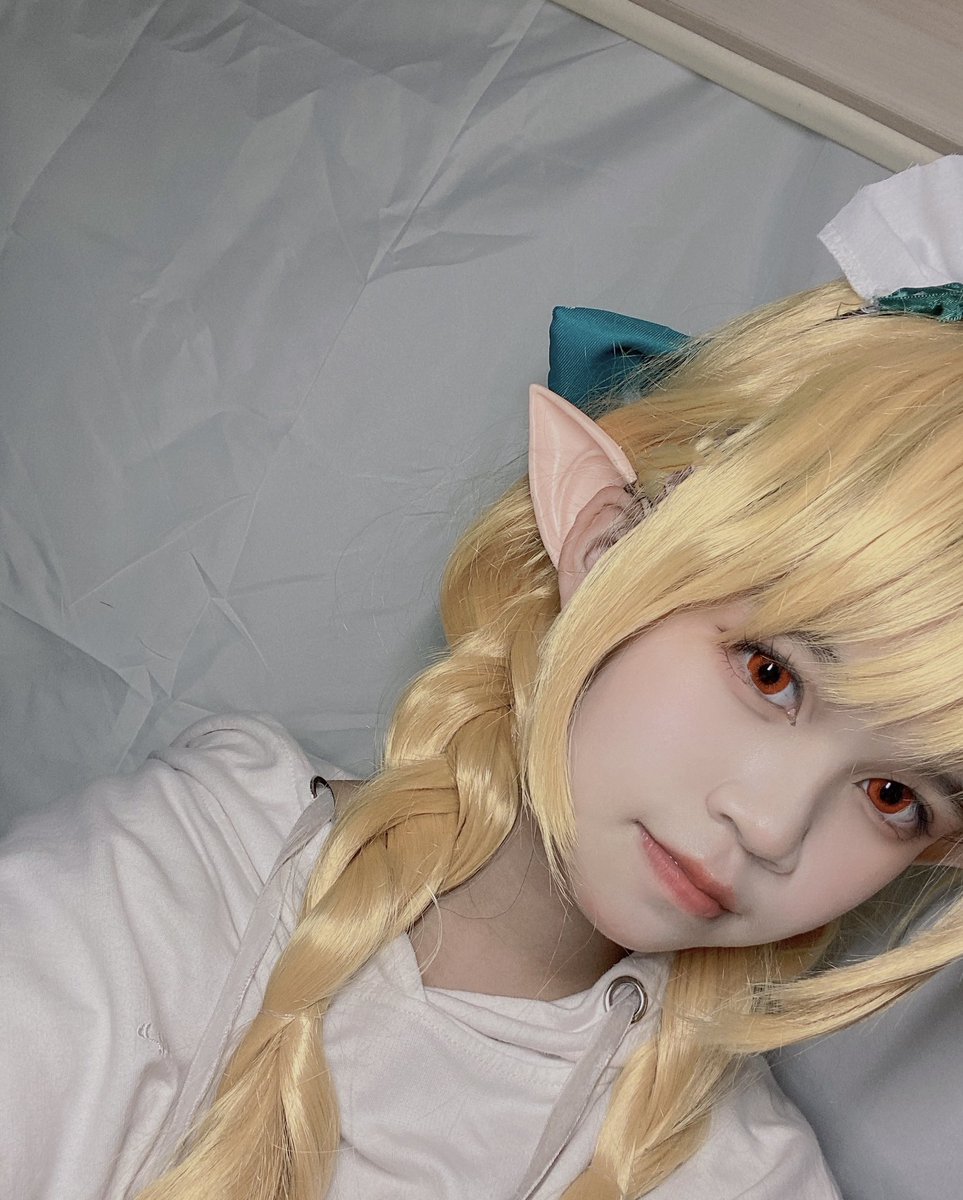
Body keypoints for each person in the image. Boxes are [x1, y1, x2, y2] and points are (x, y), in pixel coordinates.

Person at [4, 158, 963, 1200]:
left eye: (893, 796)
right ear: (605, 543)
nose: (771, 827)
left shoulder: (742, 1177)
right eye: (771, 674)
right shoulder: (187, 883)